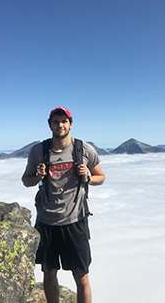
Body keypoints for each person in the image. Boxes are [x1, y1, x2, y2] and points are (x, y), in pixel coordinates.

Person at [22, 106, 105, 303]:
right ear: (50, 125)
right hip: (47, 222)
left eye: (64, 121)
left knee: (82, 276)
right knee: (49, 273)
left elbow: (100, 177)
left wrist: (87, 178)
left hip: (76, 221)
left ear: (71, 123)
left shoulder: (83, 149)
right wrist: (38, 176)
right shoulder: (39, 151)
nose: (60, 125)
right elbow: (26, 180)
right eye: (56, 121)